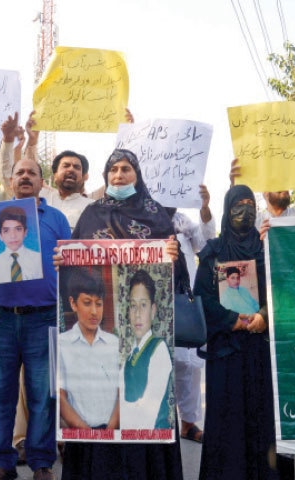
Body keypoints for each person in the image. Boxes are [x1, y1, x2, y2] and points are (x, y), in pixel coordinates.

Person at [61, 148, 184, 480]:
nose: (118, 175)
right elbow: (75, 265)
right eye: (113, 170)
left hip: (143, 338)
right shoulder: (91, 215)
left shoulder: (156, 215)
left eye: (125, 169)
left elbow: (177, 277)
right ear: (105, 176)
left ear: (137, 175)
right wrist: (63, 262)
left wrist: (174, 253)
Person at [0, 155, 70, 480]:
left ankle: (41, 463)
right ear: (11, 181)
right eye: (20, 172)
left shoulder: (56, 218)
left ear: (41, 181)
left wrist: (66, 258)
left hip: (43, 318)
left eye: (32, 172)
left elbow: (72, 259)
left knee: (42, 394)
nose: (25, 176)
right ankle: (1, 464)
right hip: (2, 319)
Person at [194, 184, 277, 480]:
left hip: (261, 351)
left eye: (249, 204)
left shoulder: (269, 247)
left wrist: (264, 316)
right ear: (227, 209)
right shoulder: (213, 251)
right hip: (225, 352)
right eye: (237, 205)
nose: (245, 211)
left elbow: (282, 289)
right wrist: (232, 320)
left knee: (261, 420)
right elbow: (201, 296)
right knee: (227, 422)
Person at [166, 187, 215, 444]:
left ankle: (187, 423)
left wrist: (204, 206)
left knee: (189, 364)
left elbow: (207, 243)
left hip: (185, 301)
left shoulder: (183, 222)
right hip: (152, 300)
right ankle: (159, 423)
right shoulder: (137, 219)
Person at [0, 113, 94, 229]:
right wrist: (13, 141)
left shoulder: (92, 208)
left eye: (76, 167)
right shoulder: (38, 196)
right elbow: (17, 173)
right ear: (55, 175)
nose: (71, 169)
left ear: (84, 176)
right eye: (66, 166)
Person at [58, 268, 120, 430]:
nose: (94, 311)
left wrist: (110, 430)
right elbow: (61, 397)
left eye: (98, 304)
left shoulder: (114, 344)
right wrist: (85, 431)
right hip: (79, 433)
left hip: (111, 432)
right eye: (87, 303)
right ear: (73, 303)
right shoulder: (62, 344)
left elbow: (123, 392)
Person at [119, 268, 173, 430]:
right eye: (133, 306)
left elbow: (147, 415)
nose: (137, 314)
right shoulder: (130, 354)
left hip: (154, 436)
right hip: (131, 435)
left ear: (153, 310)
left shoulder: (159, 349)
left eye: (143, 305)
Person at [0, 205, 43, 284]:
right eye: (6, 230)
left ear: (25, 232)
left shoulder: (38, 259)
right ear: (0, 236)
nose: (13, 236)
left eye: (18, 229)